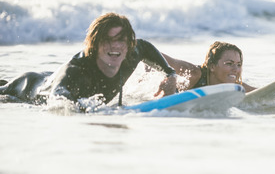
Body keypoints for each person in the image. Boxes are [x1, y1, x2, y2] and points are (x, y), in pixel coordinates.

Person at [0, 12, 177, 105]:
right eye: (108, 40)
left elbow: (144, 46)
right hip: (29, 88)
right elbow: (58, 100)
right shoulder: (76, 72)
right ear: (94, 44)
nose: (115, 46)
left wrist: (170, 76)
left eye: (121, 40)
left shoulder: (130, 53)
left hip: (50, 76)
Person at [162, 41, 256, 92]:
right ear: (212, 66)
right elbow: (156, 56)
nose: (235, 69)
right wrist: (170, 77)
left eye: (238, 64)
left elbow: (263, 93)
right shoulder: (193, 74)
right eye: (229, 63)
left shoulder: (236, 85)